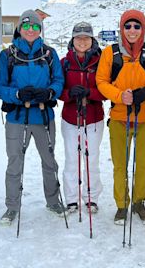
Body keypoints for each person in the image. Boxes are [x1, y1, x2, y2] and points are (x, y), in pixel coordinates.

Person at [0, 9, 65, 225]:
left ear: (39, 29)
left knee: (49, 161)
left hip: (43, 116)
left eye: (34, 26)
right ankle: (12, 207)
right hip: (17, 117)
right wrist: (16, 95)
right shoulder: (8, 55)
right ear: (19, 29)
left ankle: (53, 201)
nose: (30, 29)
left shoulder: (50, 54)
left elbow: (59, 81)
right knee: (15, 163)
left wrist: (50, 92)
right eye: (26, 26)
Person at [96, 10, 145, 225]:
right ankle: (121, 204)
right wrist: (120, 96)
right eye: (128, 26)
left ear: (143, 29)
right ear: (122, 28)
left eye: (137, 26)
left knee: (143, 163)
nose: (132, 30)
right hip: (119, 116)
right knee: (120, 164)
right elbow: (101, 82)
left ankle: (139, 201)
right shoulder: (111, 53)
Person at [59, 22, 105, 214]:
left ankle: (91, 198)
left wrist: (90, 93)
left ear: (92, 40)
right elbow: (57, 89)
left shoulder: (101, 61)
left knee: (91, 159)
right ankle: (71, 198)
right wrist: (70, 94)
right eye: (79, 37)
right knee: (72, 159)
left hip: (94, 118)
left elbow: (107, 90)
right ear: (72, 40)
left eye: (86, 37)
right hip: (70, 117)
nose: (82, 41)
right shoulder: (65, 62)